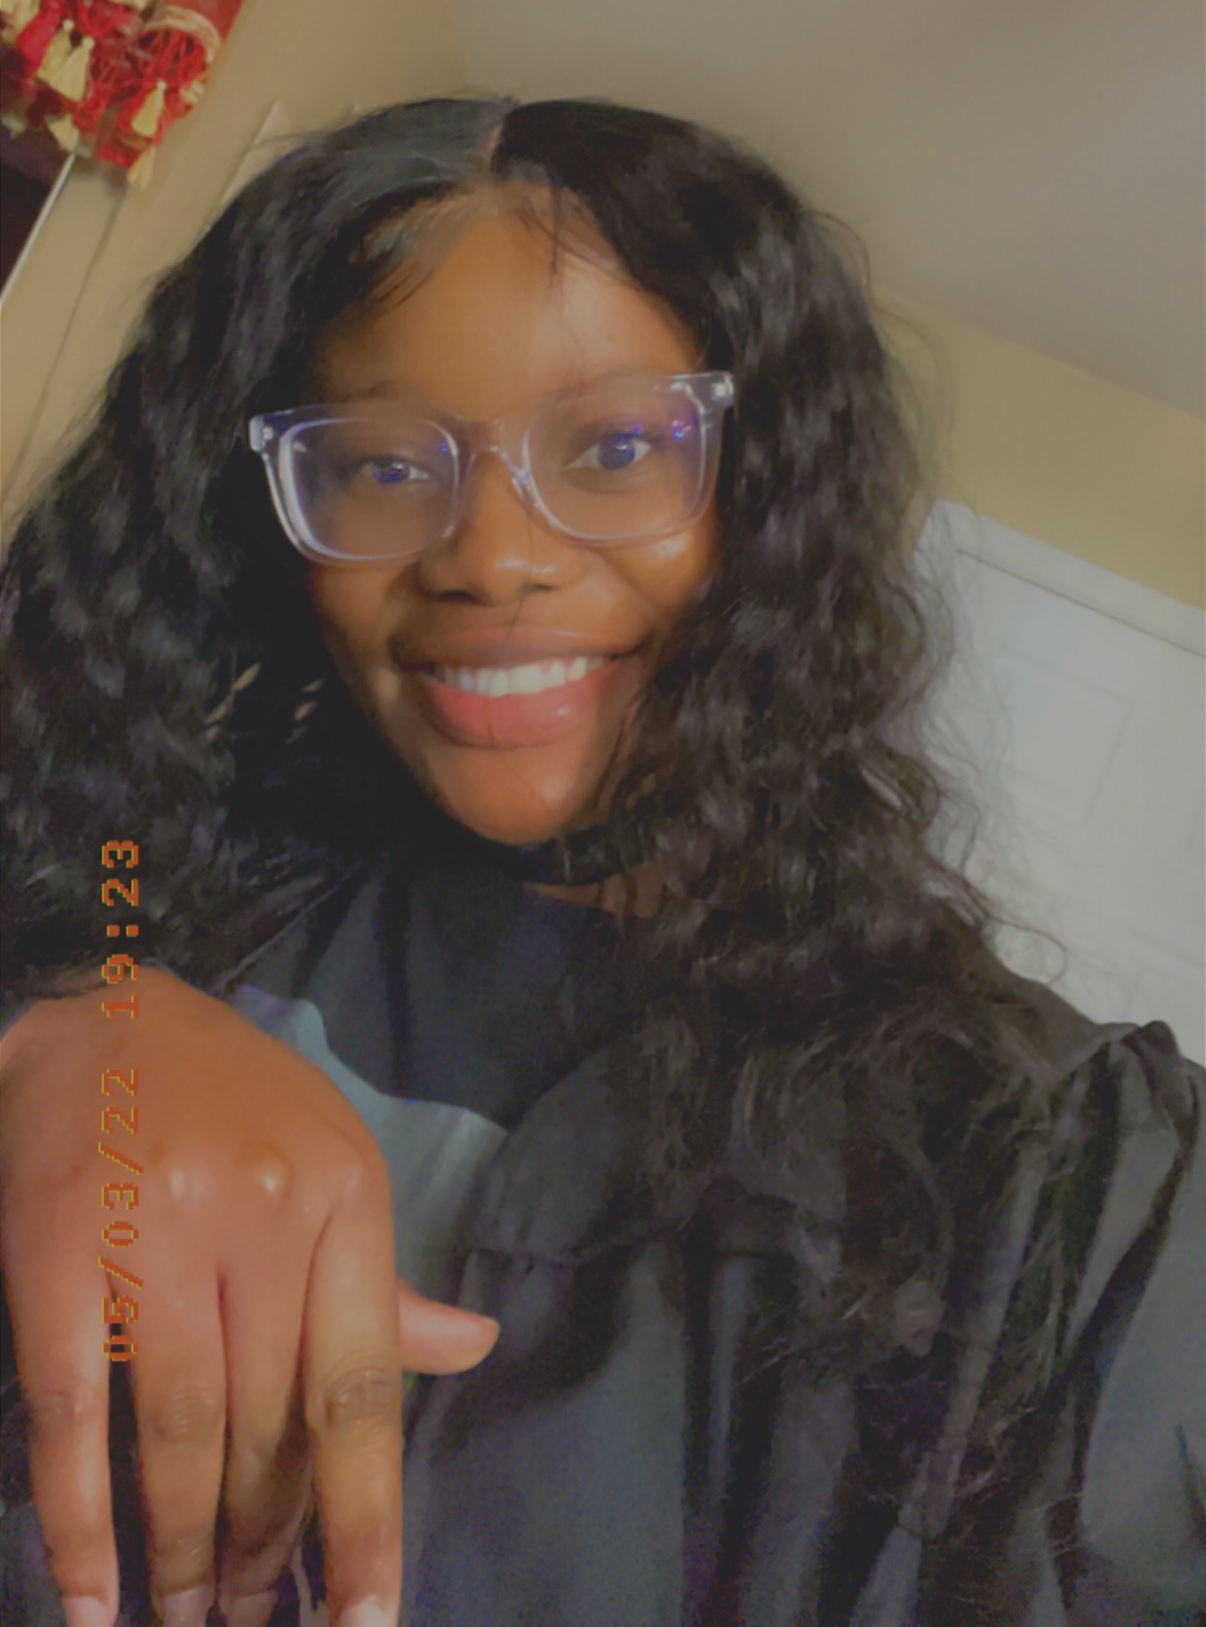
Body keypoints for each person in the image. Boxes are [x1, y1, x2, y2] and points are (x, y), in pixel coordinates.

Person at [0, 97, 1201, 1627]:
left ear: (767, 501)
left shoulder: (1061, 1187)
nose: (490, 556)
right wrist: (67, 1007)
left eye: (619, 446)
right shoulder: (153, 870)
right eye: (379, 465)